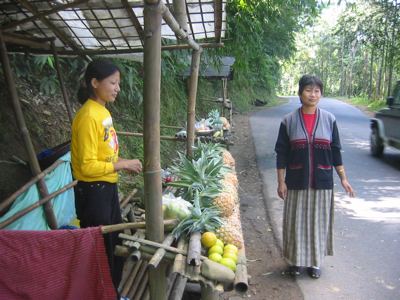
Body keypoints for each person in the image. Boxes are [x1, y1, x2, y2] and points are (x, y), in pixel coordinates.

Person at [71, 59, 142, 294]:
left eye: (118, 83)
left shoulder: (102, 111)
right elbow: (88, 166)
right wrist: (121, 166)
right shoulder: (87, 117)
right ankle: (100, 292)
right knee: (100, 250)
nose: (117, 88)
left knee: (113, 244)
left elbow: (105, 154)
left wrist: (121, 163)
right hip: (93, 193)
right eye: (112, 82)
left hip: (106, 188)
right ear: (94, 83)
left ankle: (111, 290)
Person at [274, 74, 355, 279]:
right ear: (300, 93)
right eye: (308, 90)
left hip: (323, 182)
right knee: (296, 223)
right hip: (296, 181)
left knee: (318, 224)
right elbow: (281, 153)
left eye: (317, 90)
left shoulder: (329, 119)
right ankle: (295, 262)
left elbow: (336, 150)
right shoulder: (288, 121)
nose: (313, 94)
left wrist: (343, 178)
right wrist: (280, 181)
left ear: (321, 93)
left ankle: (315, 263)